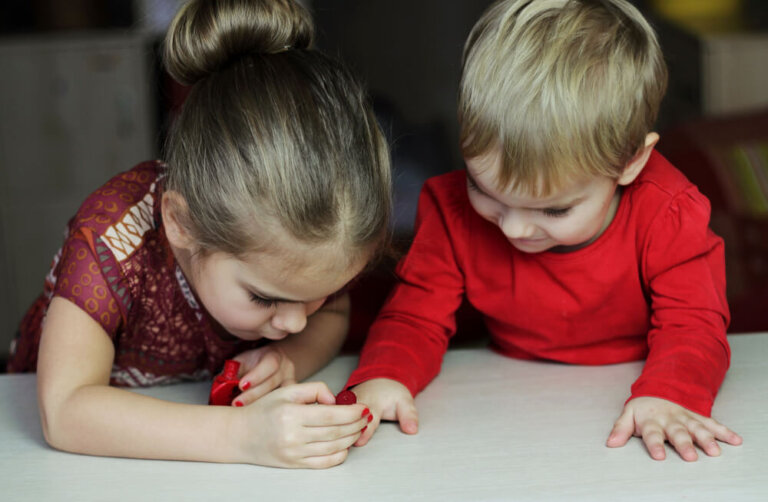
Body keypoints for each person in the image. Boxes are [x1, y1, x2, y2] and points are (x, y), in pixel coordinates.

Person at [345, 0, 743, 462]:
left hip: (634, 387)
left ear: (631, 162)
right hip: (510, 402)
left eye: (554, 210)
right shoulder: (450, 209)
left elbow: (694, 323)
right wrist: (384, 375)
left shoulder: (668, 213)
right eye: (484, 189)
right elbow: (416, 315)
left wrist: (670, 395)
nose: (514, 227)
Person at [7, 0, 391, 469]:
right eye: (264, 298)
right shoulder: (112, 236)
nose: (296, 321)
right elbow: (65, 411)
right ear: (180, 224)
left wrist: (291, 357)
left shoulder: (301, 275)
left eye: (314, 294)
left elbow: (334, 313)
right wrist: (246, 437)